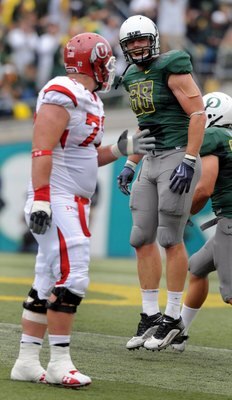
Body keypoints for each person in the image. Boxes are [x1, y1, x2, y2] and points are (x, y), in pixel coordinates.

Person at [10, 32, 156, 389]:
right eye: (105, 63)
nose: (109, 69)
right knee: (73, 275)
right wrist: (42, 197)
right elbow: (42, 147)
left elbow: (87, 156)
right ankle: (60, 362)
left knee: (46, 277)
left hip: (72, 197)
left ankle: (27, 361)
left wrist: (124, 147)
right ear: (93, 63)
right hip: (56, 196)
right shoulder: (63, 91)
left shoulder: (89, 99)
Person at [117, 15, 206, 351]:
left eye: (142, 40)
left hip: (177, 154)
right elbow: (147, 127)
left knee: (170, 237)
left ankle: (172, 317)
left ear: (153, 39)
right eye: (131, 43)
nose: (138, 47)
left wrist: (189, 158)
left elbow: (198, 114)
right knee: (141, 237)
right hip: (152, 159)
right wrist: (129, 162)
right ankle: (150, 314)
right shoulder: (131, 77)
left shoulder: (173, 65)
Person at [172, 91, 232, 352]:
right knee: (197, 267)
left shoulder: (213, 137)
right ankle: (180, 332)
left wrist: (185, 215)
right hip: (226, 221)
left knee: (231, 294)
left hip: (230, 220)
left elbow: (205, 188)